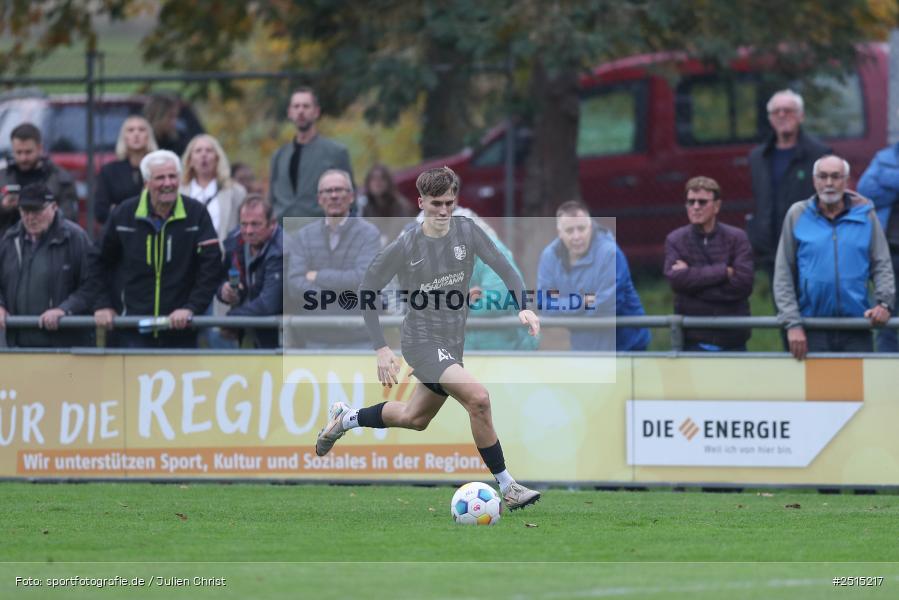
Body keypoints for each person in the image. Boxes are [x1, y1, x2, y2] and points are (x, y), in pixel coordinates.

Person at [315, 166, 542, 511]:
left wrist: (523, 307)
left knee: (413, 418)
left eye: (449, 203)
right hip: (421, 342)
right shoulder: (407, 244)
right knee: (479, 399)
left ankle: (347, 417)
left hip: (451, 344)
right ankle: (508, 486)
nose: (443, 211)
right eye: (436, 204)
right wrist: (380, 347)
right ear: (420, 202)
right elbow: (367, 289)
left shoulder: (468, 232)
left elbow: (504, 267)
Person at [89, 150, 222, 348]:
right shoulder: (124, 213)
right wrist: (102, 305)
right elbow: (96, 261)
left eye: (172, 176)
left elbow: (211, 266)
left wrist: (191, 308)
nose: (168, 183)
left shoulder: (197, 213)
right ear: (146, 183)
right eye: (160, 178)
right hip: (130, 330)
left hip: (180, 330)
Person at [773, 155, 895, 360]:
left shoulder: (865, 214)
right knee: (819, 392)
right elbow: (783, 272)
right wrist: (792, 323)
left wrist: (884, 304)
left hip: (857, 327)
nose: (829, 183)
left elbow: (881, 263)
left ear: (846, 181)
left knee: (856, 392)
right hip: (812, 328)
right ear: (814, 181)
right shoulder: (797, 214)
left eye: (836, 176)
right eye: (823, 176)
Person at [284, 169, 381, 348]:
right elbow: (294, 283)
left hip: (359, 339)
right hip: (315, 338)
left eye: (340, 190)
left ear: (351, 197)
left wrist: (318, 276)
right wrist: (334, 298)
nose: (334, 195)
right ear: (319, 199)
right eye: (328, 191)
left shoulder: (369, 234)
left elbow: (363, 279)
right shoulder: (304, 236)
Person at [537, 201, 650, 352]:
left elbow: (607, 305)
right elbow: (545, 304)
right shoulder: (549, 256)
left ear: (590, 227)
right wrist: (584, 302)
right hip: (584, 346)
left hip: (626, 346)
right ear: (559, 232)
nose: (577, 236)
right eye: (570, 231)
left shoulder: (610, 253)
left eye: (581, 229)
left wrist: (566, 307)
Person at [664, 176, 754, 351]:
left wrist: (693, 284)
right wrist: (723, 272)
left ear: (717, 206)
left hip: (732, 337)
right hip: (693, 338)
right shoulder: (675, 239)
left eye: (702, 202)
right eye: (691, 202)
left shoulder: (737, 238)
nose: (696, 207)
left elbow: (743, 285)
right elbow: (676, 281)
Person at [748, 90, 831, 277]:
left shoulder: (819, 154)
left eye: (788, 110)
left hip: (810, 249)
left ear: (801, 116)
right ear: (770, 118)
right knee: (782, 305)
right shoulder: (758, 157)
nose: (782, 115)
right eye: (776, 111)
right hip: (772, 251)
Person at [0, 184, 95, 347]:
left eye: (37, 211)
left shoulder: (75, 238)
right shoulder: (10, 239)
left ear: (54, 207)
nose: (30, 218)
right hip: (19, 346)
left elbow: (92, 285)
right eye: (24, 211)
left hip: (65, 345)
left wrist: (64, 310)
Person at [269, 86, 354, 219]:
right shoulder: (279, 156)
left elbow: (350, 201)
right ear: (289, 112)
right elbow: (272, 200)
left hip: (320, 231)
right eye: (296, 106)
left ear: (316, 112)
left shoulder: (336, 152)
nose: (301, 111)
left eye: (306, 106)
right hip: (284, 232)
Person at [218, 195, 283, 348]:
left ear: (272, 224)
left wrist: (231, 318)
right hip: (245, 330)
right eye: (244, 224)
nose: (248, 231)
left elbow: (269, 304)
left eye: (255, 224)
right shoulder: (234, 241)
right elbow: (218, 279)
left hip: (277, 335)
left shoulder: (282, 250)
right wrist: (224, 291)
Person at [857, 136, 899, 352]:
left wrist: (889, 182)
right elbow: (866, 191)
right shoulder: (885, 157)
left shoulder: (885, 166)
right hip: (890, 251)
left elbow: (879, 188)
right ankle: (888, 368)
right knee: (886, 315)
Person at [0, 123, 78, 236]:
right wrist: (3, 205)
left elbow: (70, 218)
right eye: (18, 152)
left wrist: (43, 210)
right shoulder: (3, 177)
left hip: (50, 244)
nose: (23, 158)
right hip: (7, 245)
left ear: (40, 148)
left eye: (28, 152)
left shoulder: (60, 179)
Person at [95, 115, 158, 224]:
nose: (136, 134)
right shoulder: (109, 171)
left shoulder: (159, 169)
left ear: (149, 136)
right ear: (124, 137)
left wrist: (117, 209)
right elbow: (101, 211)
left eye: (141, 130)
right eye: (130, 130)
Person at [359, 163, 415, 244]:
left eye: (382, 178)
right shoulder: (366, 208)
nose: (377, 182)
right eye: (373, 179)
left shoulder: (400, 207)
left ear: (388, 182)